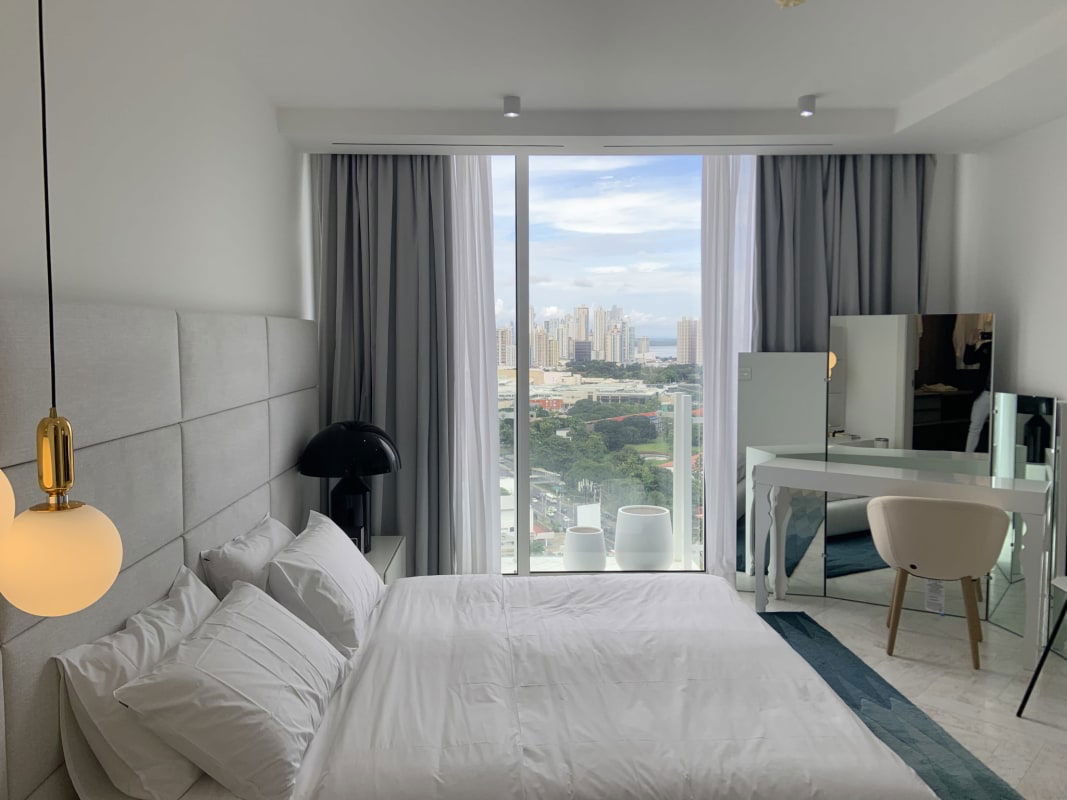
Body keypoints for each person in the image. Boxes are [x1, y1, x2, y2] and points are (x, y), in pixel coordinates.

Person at [963, 325, 992, 453]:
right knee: (974, 426)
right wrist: (970, 344)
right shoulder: (987, 347)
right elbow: (968, 360)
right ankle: (967, 456)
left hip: (1003, 395)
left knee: (1001, 428)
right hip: (984, 392)